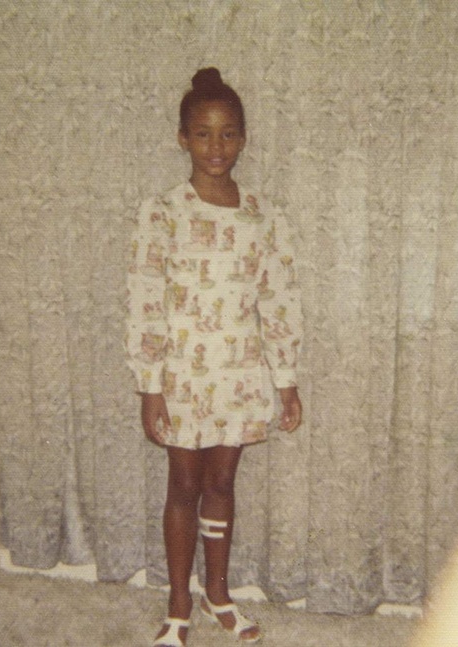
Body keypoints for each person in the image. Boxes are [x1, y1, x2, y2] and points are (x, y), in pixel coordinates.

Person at [125, 67, 303, 647]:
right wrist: (150, 384)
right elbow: (146, 299)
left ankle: (217, 593)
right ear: (183, 139)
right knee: (184, 483)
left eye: (228, 133)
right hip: (182, 376)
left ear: (244, 138)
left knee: (222, 482)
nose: (216, 146)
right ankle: (179, 603)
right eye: (202, 134)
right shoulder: (162, 212)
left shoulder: (264, 215)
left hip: (239, 374)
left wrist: (286, 380)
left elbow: (278, 299)